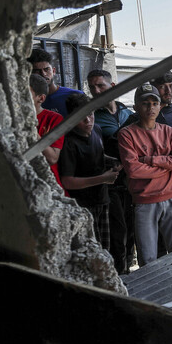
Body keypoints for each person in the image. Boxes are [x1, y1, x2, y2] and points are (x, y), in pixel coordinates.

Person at [117, 83, 172, 266]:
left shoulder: (168, 131)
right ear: (136, 107)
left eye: (155, 103)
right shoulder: (127, 134)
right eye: (145, 103)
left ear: (160, 106)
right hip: (144, 201)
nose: (151, 108)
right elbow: (133, 170)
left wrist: (150, 160)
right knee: (148, 259)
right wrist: (167, 166)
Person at [58, 94, 120, 252]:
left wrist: (113, 161)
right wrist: (103, 179)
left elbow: (98, 154)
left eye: (90, 114)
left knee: (105, 248)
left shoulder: (96, 129)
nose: (88, 121)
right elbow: (68, 181)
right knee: (90, 250)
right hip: (83, 205)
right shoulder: (68, 142)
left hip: (102, 199)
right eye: (82, 117)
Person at [87, 69, 135, 274]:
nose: (96, 91)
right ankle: (119, 274)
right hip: (109, 183)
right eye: (92, 87)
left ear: (113, 86)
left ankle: (130, 270)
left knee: (132, 230)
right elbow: (92, 150)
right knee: (117, 231)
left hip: (132, 181)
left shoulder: (127, 113)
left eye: (101, 86)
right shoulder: (92, 117)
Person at [29, 73, 64, 188]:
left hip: (47, 184)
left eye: (26, 94)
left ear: (41, 98)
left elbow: (52, 158)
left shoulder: (54, 119)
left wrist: (30, 128)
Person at [28, 48, 84, 115]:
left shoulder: (74, 95)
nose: (43, 74)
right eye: (37, 71)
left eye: (46, 69)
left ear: (53, 71)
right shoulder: (27, 100)